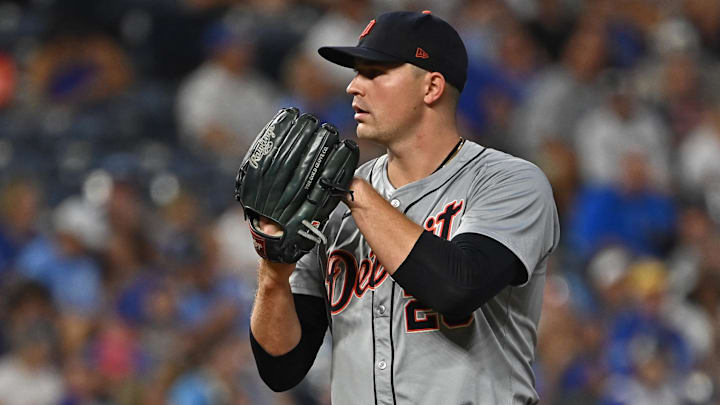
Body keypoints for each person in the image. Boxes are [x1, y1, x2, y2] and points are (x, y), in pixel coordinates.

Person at [247, 10, 560, 404]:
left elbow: (458, 288)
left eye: (374, 72)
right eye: (356, 72)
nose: (353, 87)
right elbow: (281, 368)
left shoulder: (508, 182)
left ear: (431, 87)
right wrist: (273, 271)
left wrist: (348, 188)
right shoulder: (335, 203)